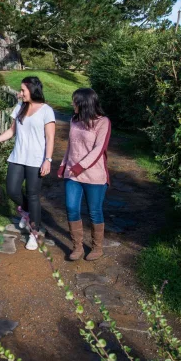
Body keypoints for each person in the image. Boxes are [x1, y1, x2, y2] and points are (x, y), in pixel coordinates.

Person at [0, 77, 56, 251]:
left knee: (33, 195)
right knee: (13, 190)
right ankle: (27, 213)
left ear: (32, 90)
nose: (20, 93)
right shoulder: (19, 107)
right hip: (18, 157)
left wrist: (48, 160)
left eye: (23, 90)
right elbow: (12, 131)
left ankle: (34, 234)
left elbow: (50, 137)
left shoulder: (46, 111)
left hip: (36, 160)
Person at [57, 88, 111, 261]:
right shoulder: (74, 120)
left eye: (75, 101)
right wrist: (64, 164)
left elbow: (99, 149)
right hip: (72, 174)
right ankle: (77, 247)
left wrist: (80, 166)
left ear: (84, 103)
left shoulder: (103, 122)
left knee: (94, 211)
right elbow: (71, 146)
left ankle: (97, 247)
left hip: (94, 176)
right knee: (71, 208)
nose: (72, 104)